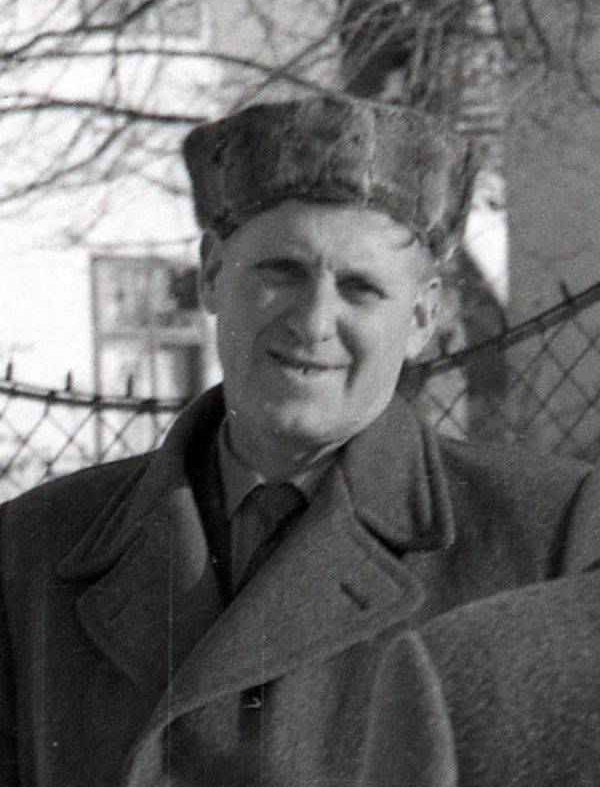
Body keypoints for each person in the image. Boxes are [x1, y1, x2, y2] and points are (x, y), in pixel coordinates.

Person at [0, 95, 599, 786]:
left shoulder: (550, 536)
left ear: (423, 316)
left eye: (361, 288)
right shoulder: (38, 547)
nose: (314, 321)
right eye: (282, 271)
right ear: (213, 273)